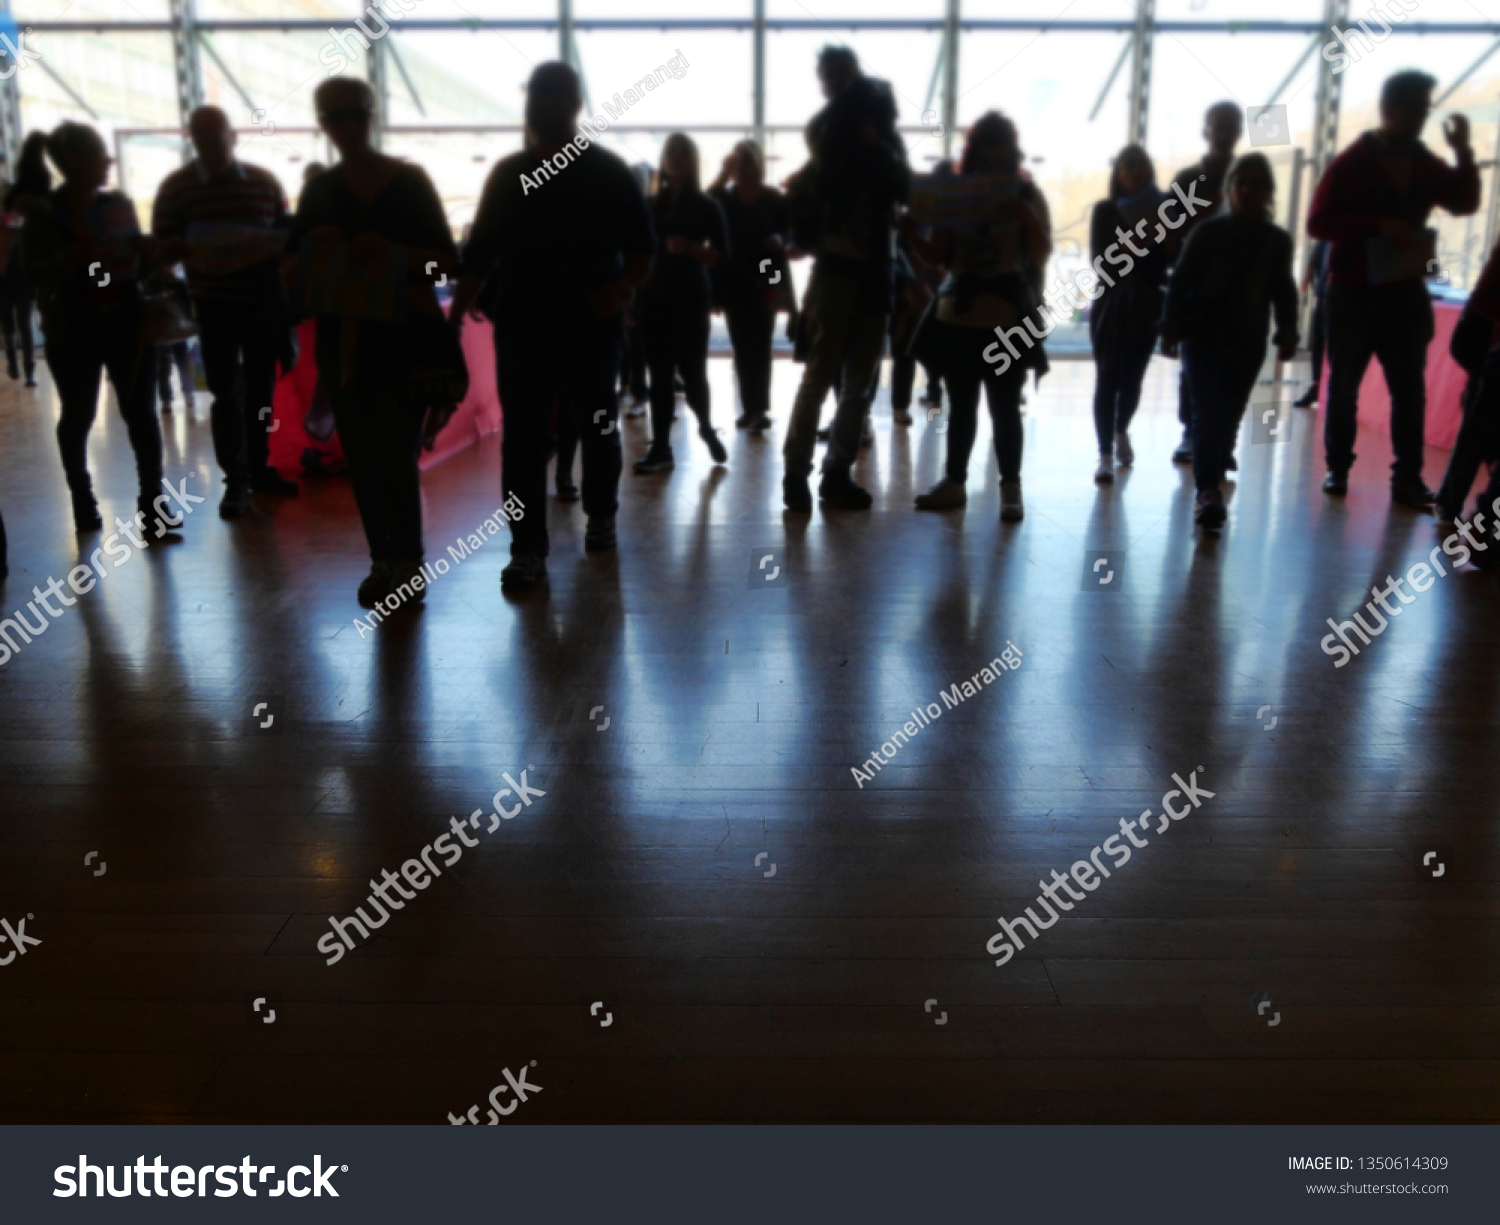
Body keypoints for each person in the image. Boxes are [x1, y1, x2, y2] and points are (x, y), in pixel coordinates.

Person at [450, 61, 654, 590]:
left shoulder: (607, 173)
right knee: (525, 440)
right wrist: (453, 317)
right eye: (536, 94)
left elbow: (642, 249)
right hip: (525, 327)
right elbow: (479, 255)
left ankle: (600, 513)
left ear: (574, 103)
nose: (540, 104)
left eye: (549, 94)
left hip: (586, 325)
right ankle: (527, 547)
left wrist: (620, 292)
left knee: (596, 426)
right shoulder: (511, 174)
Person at [287, 77, 458, 607]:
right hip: (345, 342)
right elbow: (293, 270)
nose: (349, 125)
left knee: (392, 452)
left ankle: (405, 562)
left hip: (400, 341)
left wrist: (396, 255)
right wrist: (313, 249)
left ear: (372, 115)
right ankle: (386, 559)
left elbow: (444, 263)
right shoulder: (320, 191)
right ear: (324, 124)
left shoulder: (409, 183)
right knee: (361, 455)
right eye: (337, 117)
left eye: (357, 113)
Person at [1308, 70, 1479, 506]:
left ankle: (1405, 478)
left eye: (1424, 109)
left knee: (1408, 391)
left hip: (1400, 291)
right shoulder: (1353, 161)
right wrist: (1377, 225)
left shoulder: (1421, 161)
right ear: (1389, 109)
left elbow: (1465, 202)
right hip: (1355, 292)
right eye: (1414, 109)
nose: (1421, 118)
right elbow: (1317, 223)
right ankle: (1339, 467)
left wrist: (1462, 152)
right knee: (1346, 386)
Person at [21, 122, 167, 534]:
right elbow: (34, 274)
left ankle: (152, 504)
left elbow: (133, 268)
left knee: (141, 414)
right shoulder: (45, 214)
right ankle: (83, 500)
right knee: (80, 414)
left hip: (125, 322)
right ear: (72, 162)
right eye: (99, 154)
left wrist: (148, 255)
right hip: (75, 329)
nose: (108, 161)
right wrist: (70, 258)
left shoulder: (115, 203)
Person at [781, 45, 910, 512]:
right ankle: (807, 472)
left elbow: (903, 189)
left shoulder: (863, 141)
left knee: (851, 384)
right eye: (830, 75)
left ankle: (821, 472)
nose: (836, 84)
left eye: (840, 75)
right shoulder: (831, 141)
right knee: (832, 380)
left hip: (858, 273)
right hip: (851, 273)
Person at [904, 111, 1051, 521]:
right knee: (961, 404)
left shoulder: (1027, 196)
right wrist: (912, 230)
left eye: (1001, 163)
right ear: (973, 159)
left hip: (1004, 314)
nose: (993, 169)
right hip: (959, 315)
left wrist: (1025, 217)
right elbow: (938, 255)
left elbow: (1040, 254)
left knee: (1005, 406)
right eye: (986, 162)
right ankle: (955, 481)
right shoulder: (954, 194)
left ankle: (1009, 486)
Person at [153, 106, 295, 518]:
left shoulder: (265, 183)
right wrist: (172, 252)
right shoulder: (176, 189)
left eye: (217, 139)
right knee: (225, 395)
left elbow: (286, 235)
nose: (211, 148)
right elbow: (159, 249)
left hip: (261, 303)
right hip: (213, 305)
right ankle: (237, 479)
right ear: (192, 141)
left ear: (232, 137)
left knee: (260, 392)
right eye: (202, 141)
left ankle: (258, 468)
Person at [1160, 153, 1298, 532]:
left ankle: (1215, 470)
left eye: (1256, 183)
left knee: (1230, 414)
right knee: (1208, 416)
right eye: (1242, 182)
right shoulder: (1207, 233)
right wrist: (1170, 327)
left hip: (1248, 338)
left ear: (1267, 190)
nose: (1248, 190)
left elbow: (1284, 291)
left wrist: (1287, 332)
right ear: (1230, 189)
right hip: (1203, 335)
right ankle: (1207, 491)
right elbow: (1182, 280)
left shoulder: (1276, 242)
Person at [633, 133, 729, 474]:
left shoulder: (707, 206)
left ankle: (704, 425)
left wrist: (689, 248)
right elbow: (636, 253)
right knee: (658, 375)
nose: (674, 157)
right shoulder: (649, 204)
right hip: (652, 297)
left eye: (681, 152)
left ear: (691, 161)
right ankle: (660, 447)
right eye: (670, 152)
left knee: (693, 373)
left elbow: (722, 257)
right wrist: (630, 299)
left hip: (690, 298)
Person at [1089, 144, 1171, 484]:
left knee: (1133, 378)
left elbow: (1164, 263)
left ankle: (1121, 429)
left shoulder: (1164, 209)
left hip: (1147, 303)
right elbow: (1100, 260)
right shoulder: (1106, 210)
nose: (1136, 170)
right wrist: (1133, 245)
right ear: (1118, 173)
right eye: (1129, 165)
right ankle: (1105, 454)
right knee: (1107, 378)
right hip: (1111, 303)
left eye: (1141, 164)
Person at [1167, 101, 1243, 466]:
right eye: (1220, 127)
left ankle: (1223, 441)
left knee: (1233, 368)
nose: (1226, 134)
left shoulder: (1248, 177)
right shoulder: (1187, 181)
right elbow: (1167, 232)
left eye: (1232, 127)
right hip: (1197, 288)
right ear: (1206, 132)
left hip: (1239, 289)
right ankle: (1191, 433)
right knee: (1193, 367)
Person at [710, 139, 789, 432]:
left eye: (747, 160)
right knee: (742, 346)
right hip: (735, 274)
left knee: (762, 343)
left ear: (757, 164)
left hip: (767, 269)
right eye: (738, 161)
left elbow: (785, 233)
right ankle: (749, 407)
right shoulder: (726, 197)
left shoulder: (772, 198)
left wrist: (781, 241)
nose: (742, 166)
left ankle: (759, 408)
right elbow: (705, 203)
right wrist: (722, 171)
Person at [1433, 239, 1500, 527]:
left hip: (1484, 338)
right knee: (1478, 424)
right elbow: (1485, 298)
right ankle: (1452, 505)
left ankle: (1450, 504)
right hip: (1485, 340)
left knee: (1478, 422)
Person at [1, 131, 49, 387]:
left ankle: (16, 360)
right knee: (23, 321)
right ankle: (26, 368)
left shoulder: (14, 191)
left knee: (11, 319)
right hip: (26, 272)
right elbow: (94, 260)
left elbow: (94, 261)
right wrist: (103, 286)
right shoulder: (65, 207)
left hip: (10, 269)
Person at [1293, 239, 1329, 408]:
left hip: (1345, 295)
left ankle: (1327, 390)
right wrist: (1306, 280)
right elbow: (1315, 257)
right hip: (1324, 294)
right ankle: (1316, 386)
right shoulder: (1327, 234)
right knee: (1318, 344)